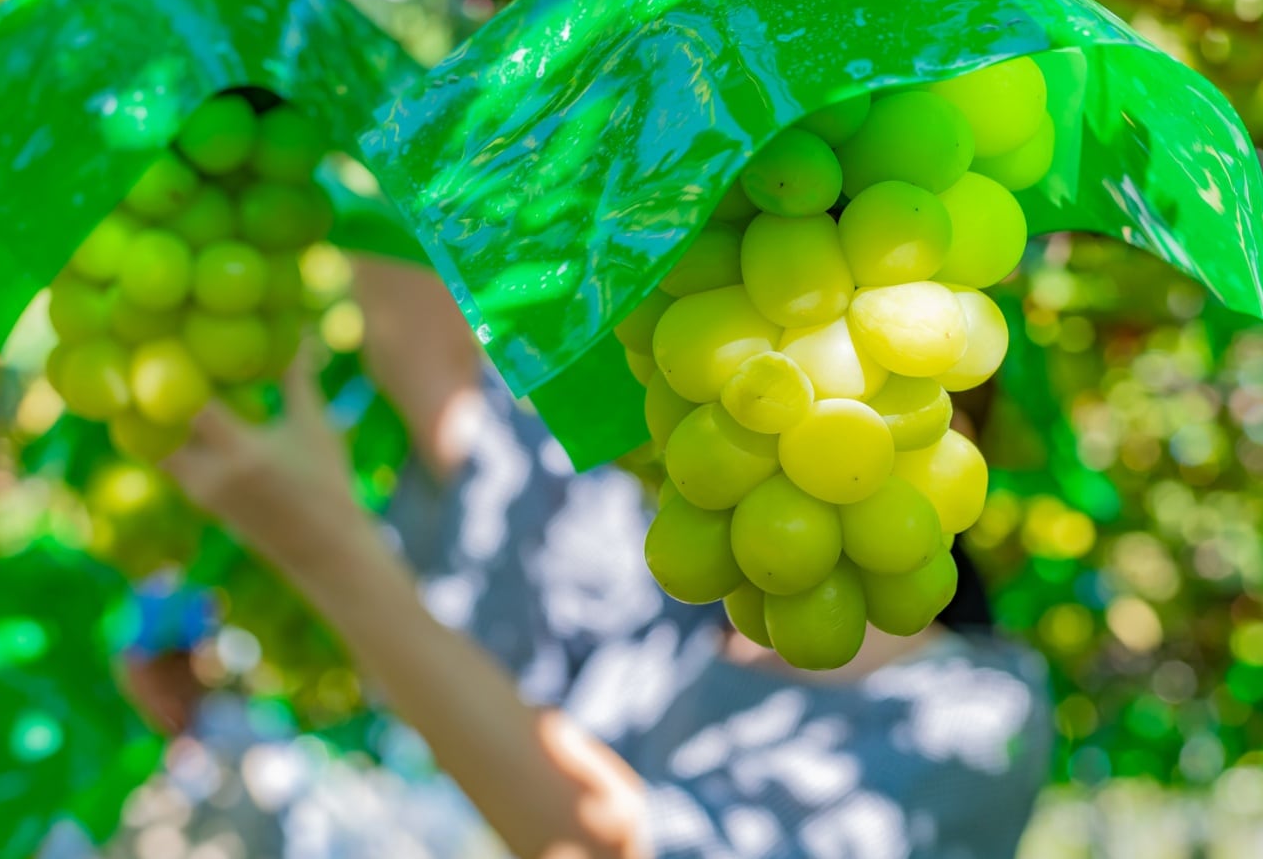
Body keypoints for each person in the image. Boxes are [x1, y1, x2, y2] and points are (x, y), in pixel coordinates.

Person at [163, 257, 1056, 859]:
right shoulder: (666, 605)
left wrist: (331, 551)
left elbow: (614, 846)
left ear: (950, 420)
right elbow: (445, 386)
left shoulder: (975, 714)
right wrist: (402, 56)